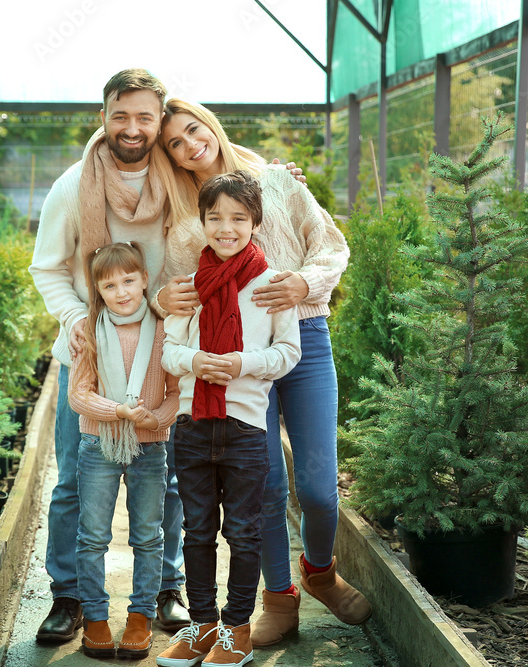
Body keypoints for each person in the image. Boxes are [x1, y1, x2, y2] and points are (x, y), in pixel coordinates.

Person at [157, 99, 372, 647]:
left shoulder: (277, 182)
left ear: (211, 124)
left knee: (321, 489)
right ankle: (280, 599)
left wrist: (303, 284)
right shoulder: (188, 230)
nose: (189, 146)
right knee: (266, 488)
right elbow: (174, 302)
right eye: (175, 144)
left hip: (306, 340)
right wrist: (164, 298)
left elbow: (331, 246)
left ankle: (319, 571)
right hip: (239, 371)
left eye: (192, 130)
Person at [29, 69, 190, 643]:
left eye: (145, 116)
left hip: (163, 355)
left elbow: (229, 165)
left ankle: (165, 590)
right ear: (104, 115)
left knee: (166, 483)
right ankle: (69, 597)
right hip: (89, 360)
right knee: (73, 483)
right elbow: (46, 267)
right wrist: (80, 321)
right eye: (120, 115)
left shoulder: (179, 183)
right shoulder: (74, 186)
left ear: (159, 119)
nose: (132, 127)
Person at [157, 171, 301, 667]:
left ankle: (236, 630)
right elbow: (169, 351)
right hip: (192, 427)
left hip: (244, 430)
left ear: (255, 222)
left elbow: (287, 353)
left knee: (243, 532)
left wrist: (242, 363)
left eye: (238, 217)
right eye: (215, 217)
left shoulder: (271, 285)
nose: (226, 227)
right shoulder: (189, 288)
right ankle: (201, 626)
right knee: (196, 530)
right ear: (201, 222)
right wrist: (196, 361)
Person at [69, 242, 181, 660]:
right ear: (99, 290)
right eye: (110, 285)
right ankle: (96, 616)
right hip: (98, 443)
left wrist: (156, 419)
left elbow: (175, 393)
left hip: (150, 446)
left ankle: (140, 617)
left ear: (145, 280)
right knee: (93, 535)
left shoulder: (164, 328)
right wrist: (117, 411)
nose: (121, 291)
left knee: (148, 536)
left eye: (129, 281)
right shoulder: (90, 329)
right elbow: (79, 395)